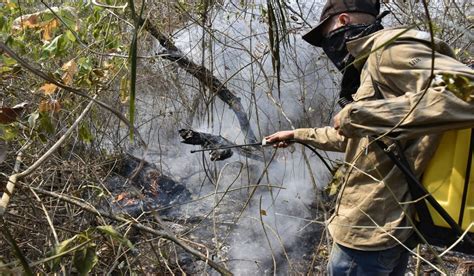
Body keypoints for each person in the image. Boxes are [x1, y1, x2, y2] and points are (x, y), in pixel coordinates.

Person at [265, 0, 474, 274]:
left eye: (324, 33)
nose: (327, 44)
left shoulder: (389, 51)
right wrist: (298, 135)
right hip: (380, 226)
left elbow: (467, 94)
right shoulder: (370, 63)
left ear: (341, 22)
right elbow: (357, 138)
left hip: (369, 232)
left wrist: (359, 115)